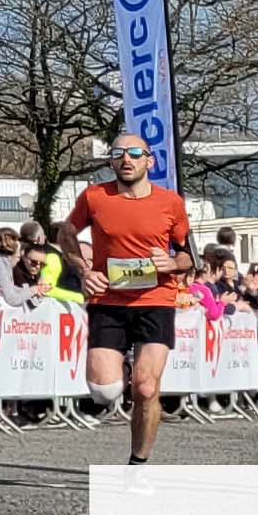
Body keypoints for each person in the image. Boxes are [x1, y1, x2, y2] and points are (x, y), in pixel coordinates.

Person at [65, 134, 192, 465]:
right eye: (119, 153)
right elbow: (65, 233)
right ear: (112, 162)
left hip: (156, 299)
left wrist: (173, 263)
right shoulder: (95, 197)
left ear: (149, 161)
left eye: (135, 153)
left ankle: (138, 463)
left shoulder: (170, 203)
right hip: (108, 300)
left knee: (147, 388)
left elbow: (188, 255)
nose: (127, 159)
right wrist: (83, 270)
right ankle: (122, 368)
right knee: (104, 391)